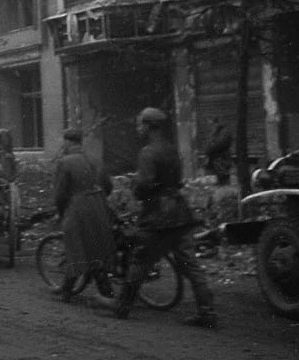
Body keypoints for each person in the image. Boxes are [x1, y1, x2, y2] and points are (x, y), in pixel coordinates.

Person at [115, 107, 217, 327]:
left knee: (140, 259)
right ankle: (207, 312)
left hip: (157, 216)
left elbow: (145, 185)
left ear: (150, 126)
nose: (138, 128)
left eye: (141, 124)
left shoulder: (148, 153)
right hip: (180, 212)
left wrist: (136, 187)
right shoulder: (172, 150)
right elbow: (177, 181)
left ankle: (122, 306)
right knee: (191, 264)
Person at [51, 128, 116, 302]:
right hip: (99, 205)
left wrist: (61, 212)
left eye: (63, 142)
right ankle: (105, 289)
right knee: (95, 247)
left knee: (75, 246)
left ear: (68, 142)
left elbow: (60, 194)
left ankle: (66, 292)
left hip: (78, 207)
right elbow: (108, 186)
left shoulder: (65, 162)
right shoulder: (94, 159)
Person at [204, 116, 233, 185]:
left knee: (223, 183)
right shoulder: (215, 132)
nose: (209, 126)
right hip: (215, 164)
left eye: (211, 124)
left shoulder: (223, 133)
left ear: (216, 123)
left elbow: (214, 146)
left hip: (221, 163)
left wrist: (209, 149)